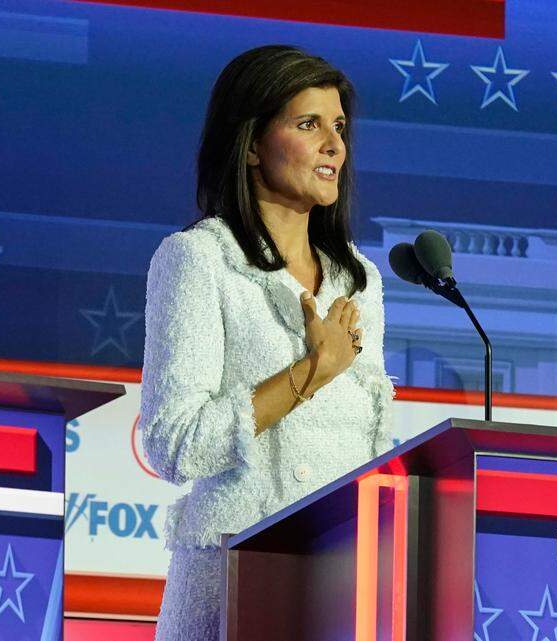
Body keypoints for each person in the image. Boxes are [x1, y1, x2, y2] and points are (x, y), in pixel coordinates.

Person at [138, 45, 394, 641]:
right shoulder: (200, 260)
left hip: (343, 589)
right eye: (309, 125)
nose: (335, 146)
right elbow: (175, 445)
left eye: (339, 127)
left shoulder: (359, 280)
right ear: (252, 143)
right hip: (237, 579)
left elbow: (369, 447)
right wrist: (311, 373)